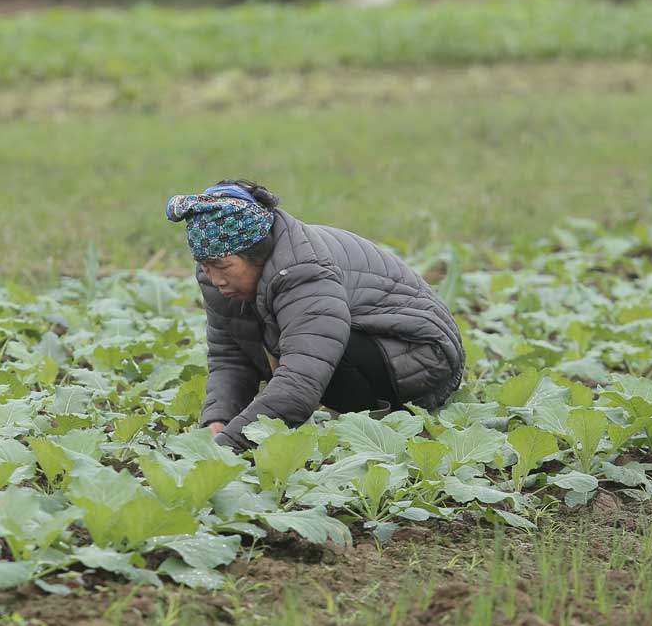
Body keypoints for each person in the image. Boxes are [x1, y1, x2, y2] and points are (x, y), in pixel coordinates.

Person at [166, 181, 466, 452]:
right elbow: (229, 356)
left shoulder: (304, 271)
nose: (214, 279)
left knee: (306, 348)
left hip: (421, 356)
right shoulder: (219, 275)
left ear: (255, 253)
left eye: (222, 266)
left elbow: (301, 379)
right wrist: (217, 422)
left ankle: (385, 420)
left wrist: (229, 447)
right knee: (275, 344)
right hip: (368, 342)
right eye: (204, 266)